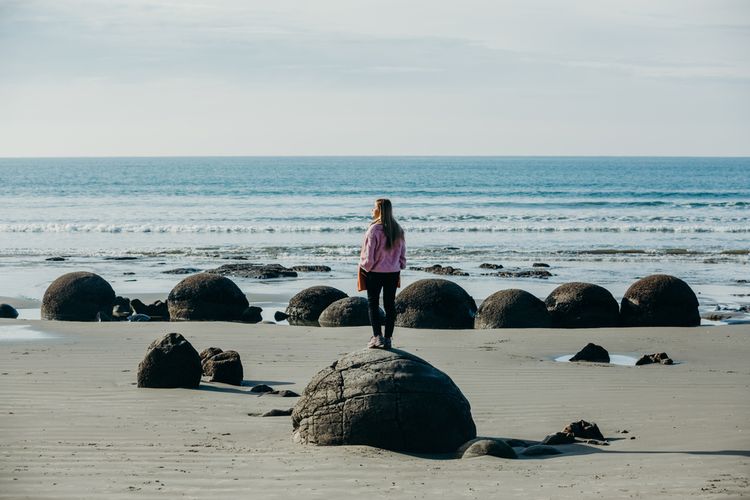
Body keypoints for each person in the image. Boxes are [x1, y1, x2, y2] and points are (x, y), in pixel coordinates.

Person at [359, 198, 406, 349]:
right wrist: (400, 264)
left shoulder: (374, 230)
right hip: (393, 272)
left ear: (379, 209)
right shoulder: (397, 228)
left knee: (373, 304)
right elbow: (402, 253)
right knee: (389, 305)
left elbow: (369, 255)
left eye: (373, 208)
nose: (371, 211)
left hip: (375, 272)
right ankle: (388, 339)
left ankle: (377, 337)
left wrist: (364, 266)